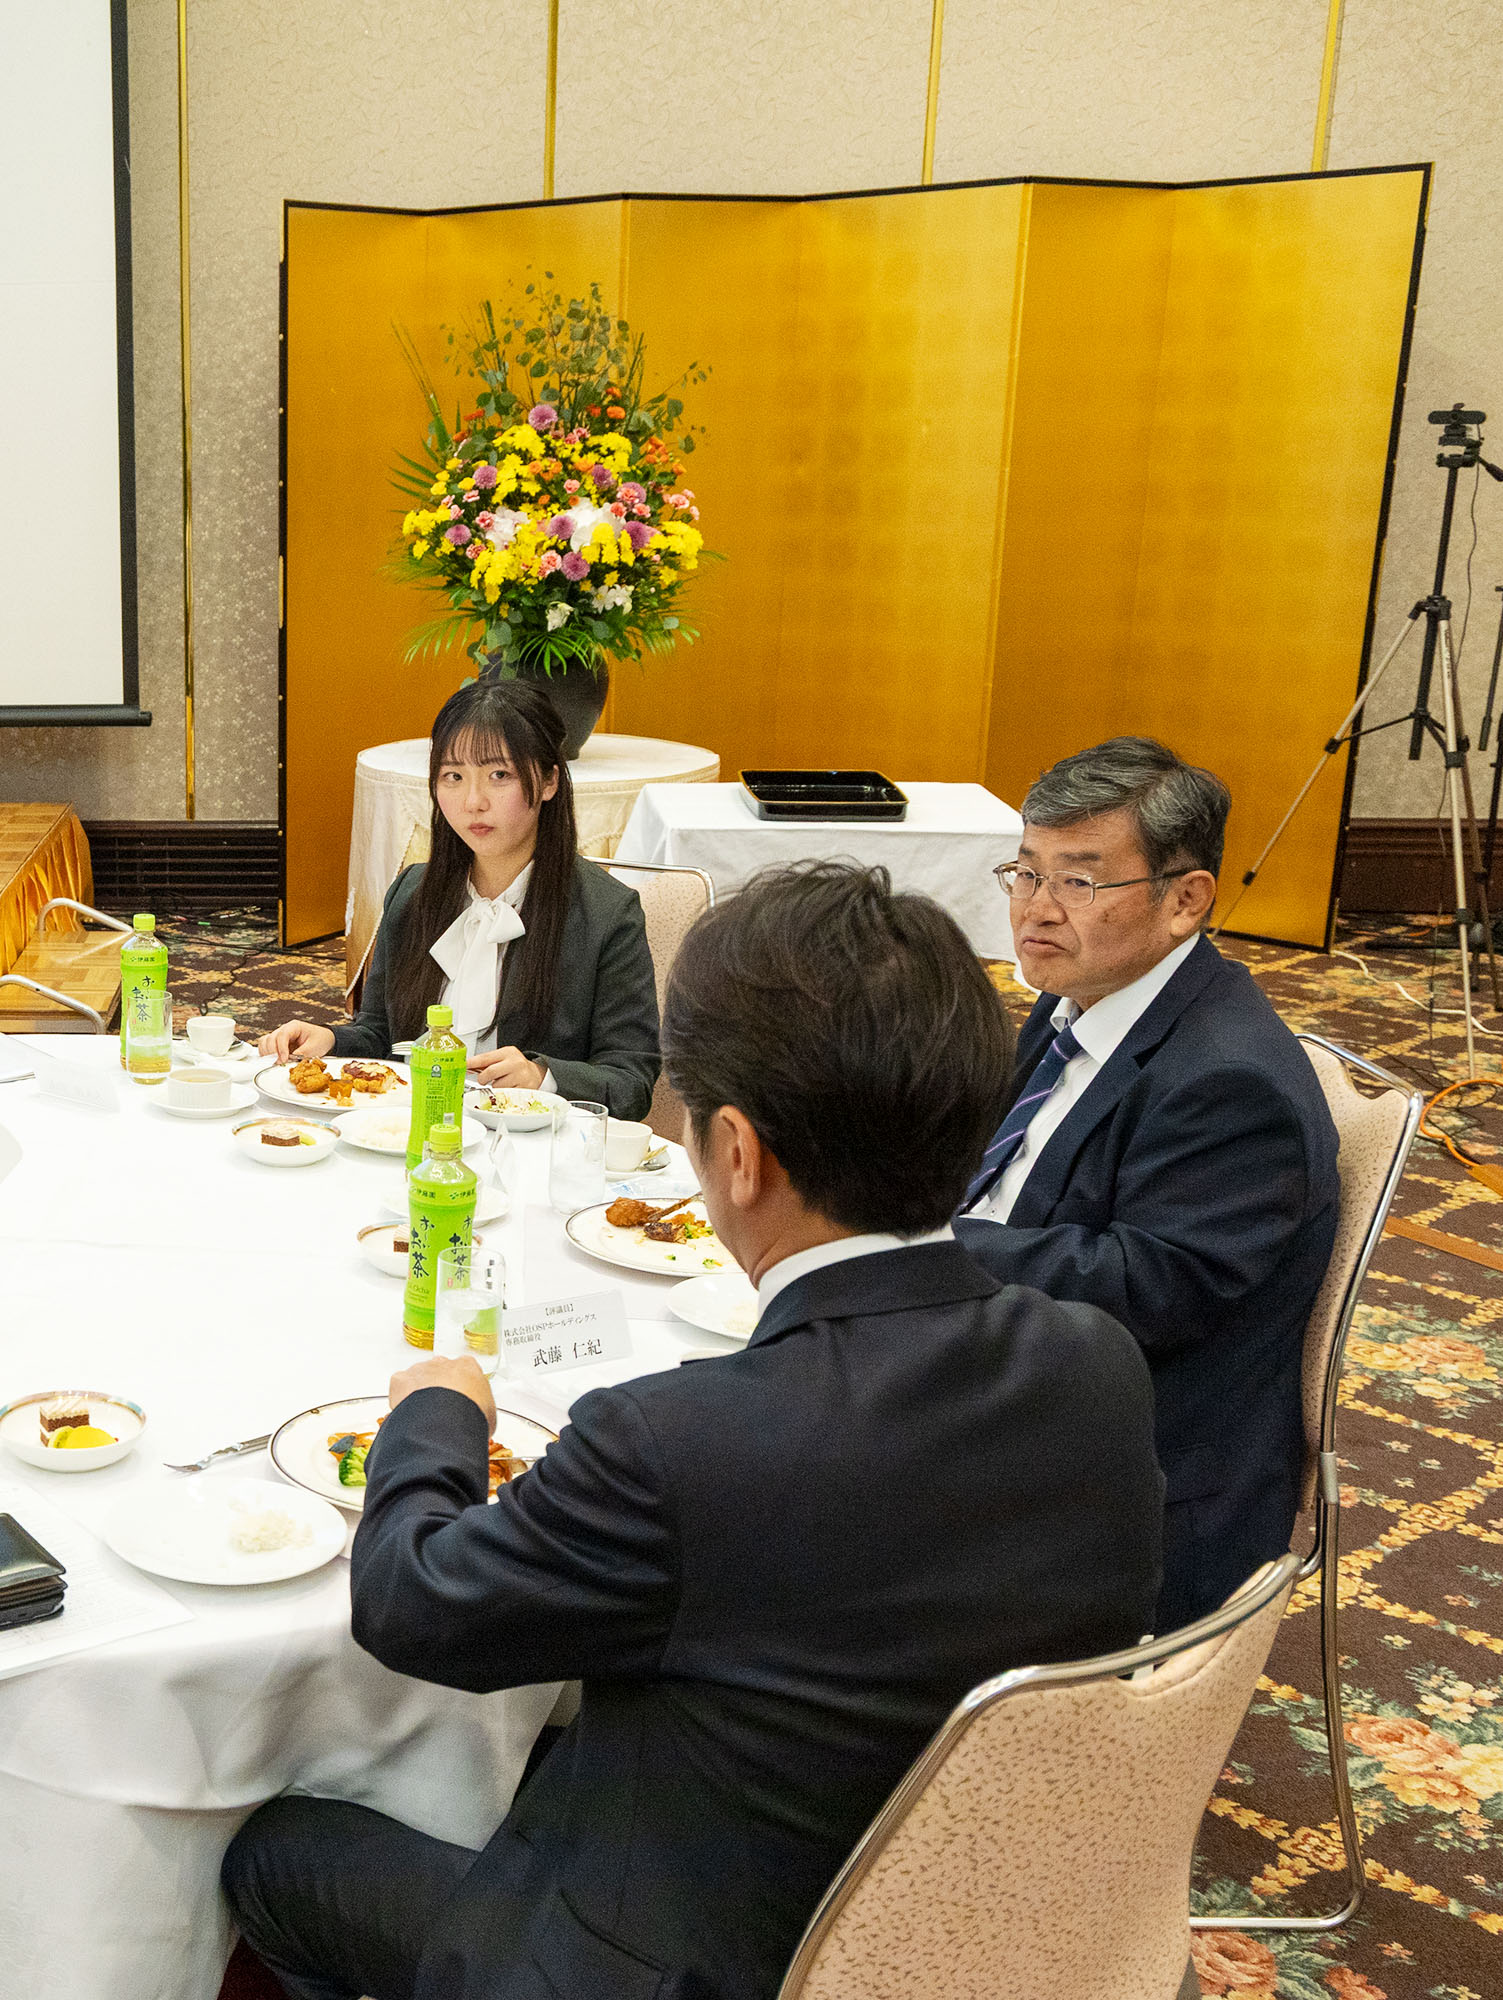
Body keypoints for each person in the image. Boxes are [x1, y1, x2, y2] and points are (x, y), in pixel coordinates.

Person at [222, 863, 1163, 2000]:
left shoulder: (679, 1442)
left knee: (277, 1851)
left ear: (736, 1150)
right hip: (990, 1923)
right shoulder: (1098, 1363)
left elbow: (413, 1604)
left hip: (685, 1959)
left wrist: (436, 1412)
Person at [955, 737, 1339, 1631]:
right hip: (1029, 1369)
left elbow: (1149, 1285)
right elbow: (1008, 1176)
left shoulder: (1228, 1080)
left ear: (1185, 901)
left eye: (1079, 882)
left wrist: (921, 1245)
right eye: (1026, 872)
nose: (1036, 911)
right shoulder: (1081, 1002)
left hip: (1122, 1480)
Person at [258, 678, 659, 1118]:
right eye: (453, 776)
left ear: (548, 782)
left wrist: (543, 1078)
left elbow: (631, 1083)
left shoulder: (607, 914)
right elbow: (381, 1035)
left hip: (524, 1149)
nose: (473, 801)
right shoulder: (412, 892)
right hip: (408, 1130)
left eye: (499, 775)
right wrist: (332, 1039)